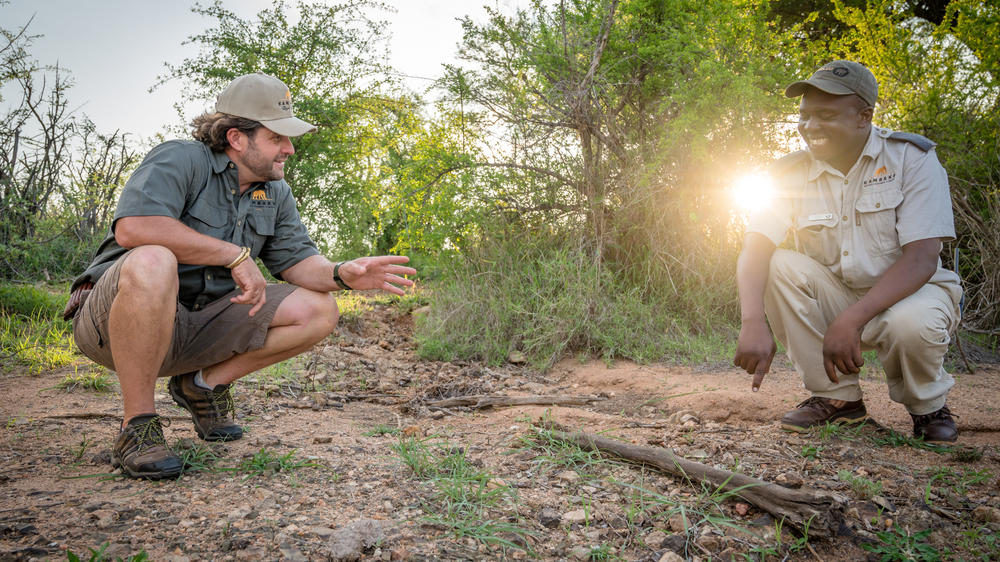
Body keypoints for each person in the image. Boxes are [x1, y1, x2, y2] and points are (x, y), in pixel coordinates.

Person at [63, 73, 417, 479]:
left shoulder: (276, 192)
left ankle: (201, 385)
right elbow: (134, 228)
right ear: (236, 137)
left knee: (318, 307)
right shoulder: (179, 159)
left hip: (197, 326)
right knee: (153, 259)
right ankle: (138, 426)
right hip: (112, 325)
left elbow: (299, 263)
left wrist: (342, 273)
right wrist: (234, 255)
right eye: (278, 138)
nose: (290, 148)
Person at [733, 60, 962, 443]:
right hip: (838, 292)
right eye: (804, 116)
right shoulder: (788, 172)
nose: (810, 127)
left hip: (912, 294)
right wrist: (752, 320)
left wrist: (851, 320)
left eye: (825, 115)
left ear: (864, 117)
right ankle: (838, 400)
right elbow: (754, 248)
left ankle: (928, 408)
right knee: (777, 264)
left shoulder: (911, 158)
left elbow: (922, 256)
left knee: (911, 323)